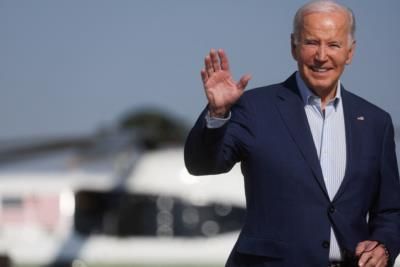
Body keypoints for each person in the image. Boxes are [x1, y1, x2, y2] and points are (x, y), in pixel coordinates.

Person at [184, 1, 400, 266]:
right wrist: (217, 114)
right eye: (311, 42)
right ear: (293, 46)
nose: (322, 56)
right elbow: (202, 165)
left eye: (333, 45)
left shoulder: (376, 122)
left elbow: (390, 211)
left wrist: (385, 246)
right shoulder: (253, 108)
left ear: (350, 52)